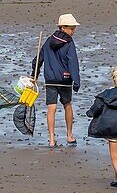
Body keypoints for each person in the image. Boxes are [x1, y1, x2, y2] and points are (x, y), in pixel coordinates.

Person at [32, 14, 81, 148]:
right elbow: (73, 62)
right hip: (64, 79)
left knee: (51, 108)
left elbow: (38, 60)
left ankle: (52, 140)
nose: (73, 31)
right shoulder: (69, 43)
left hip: (50, 79)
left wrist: (34, 74)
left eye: (73, 28)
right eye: (71, 28)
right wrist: (76, 81)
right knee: (67, 105)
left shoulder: (48, 41)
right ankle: (69, 136)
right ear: (63, 27)